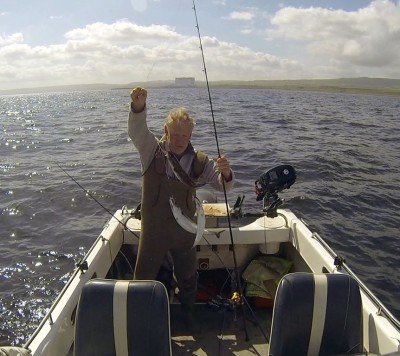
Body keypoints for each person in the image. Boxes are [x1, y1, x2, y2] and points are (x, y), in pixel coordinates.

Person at [128, 87, 234, 329]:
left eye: (184, 136)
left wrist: (226, 173)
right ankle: (139, 322)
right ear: (165, 131)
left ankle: (188, 316)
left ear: (190, 136)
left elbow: (222, 187)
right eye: (174, 134)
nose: (178, 140)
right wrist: (138, 107)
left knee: (188, 279)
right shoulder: (151, 150)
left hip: (184, 232)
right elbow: (136, 131)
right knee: (142, 279)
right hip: (153, 233)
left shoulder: (200, 161)